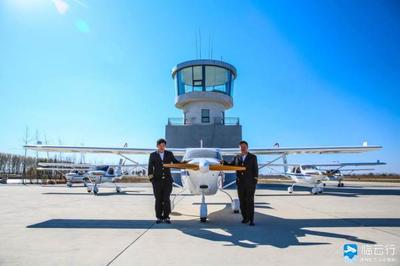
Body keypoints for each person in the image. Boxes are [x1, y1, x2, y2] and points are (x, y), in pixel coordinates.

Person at [224, 140, 258, 226]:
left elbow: (255, 170)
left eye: (244, 147)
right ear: (239, 148)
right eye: (241, 147)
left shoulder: (253, 157)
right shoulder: (237, 157)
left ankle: (251, 219)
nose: (243, 148)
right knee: (242, 201)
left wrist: (255, 181)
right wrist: (223, 162)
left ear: (247, 148)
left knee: (249, 201)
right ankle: (245, 218)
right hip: (240, 183)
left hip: (250, 183)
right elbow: (231, 165)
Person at [148, 138, 180, 224]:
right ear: (157, 146)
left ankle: (166, 217)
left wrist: (185, 163)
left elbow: (175, 162)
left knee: (166, 199)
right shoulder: (153, 155)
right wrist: (152, 180)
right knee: (158, 199)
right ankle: (159, 217)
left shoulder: (169, 154)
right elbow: (150, 168)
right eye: (160, 145)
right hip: (157, 181)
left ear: (165, 146)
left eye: (163, 145)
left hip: (168, 181)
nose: (162, 147)